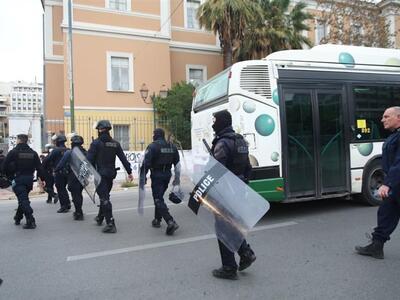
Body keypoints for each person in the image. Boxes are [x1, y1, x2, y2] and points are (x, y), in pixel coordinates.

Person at [210, 110, 256, 280]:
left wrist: (205, 189)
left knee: (223, 228)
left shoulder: (222, 143)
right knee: (233, 225)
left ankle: (229, 267)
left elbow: (217, 171)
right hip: (239, 189)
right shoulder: (241, 141)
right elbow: (248, 168)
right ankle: (246, 252)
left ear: (221, 122)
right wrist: (243, 185)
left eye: (215, 120)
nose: (213, 124)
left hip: (224, 192)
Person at [355, 106, 400, 259]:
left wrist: (387, 184)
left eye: (387, 117)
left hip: (395, 183)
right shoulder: (395, 135)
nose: (382, 120)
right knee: (386, 213)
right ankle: (376, 246)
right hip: (395, 184)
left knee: (387, 212)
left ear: (398, 117)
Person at [87, 120, 133, 233]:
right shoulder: (115, 143)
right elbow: (123, 158)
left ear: (101, 130)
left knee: (104, 198)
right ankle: (100, 217)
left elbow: (89, 161)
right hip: (111, 174)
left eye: (98, 129)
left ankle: (111, 224)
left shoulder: (96, 143)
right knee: (105, 196)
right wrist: (129, 172)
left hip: (100, 175)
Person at [2, 134, 46, 229]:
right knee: (23, 199)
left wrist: (8, 177)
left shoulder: (13, 152)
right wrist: (42, 179)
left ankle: (31, 220)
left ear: (19, 140)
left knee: (23, 200)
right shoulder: (33, 153)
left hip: (18, 179)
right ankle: (18, 217)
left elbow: (4, 167)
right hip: (29, 180)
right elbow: (40, 168)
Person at [142, 128, 180, 235]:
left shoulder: (153, 146)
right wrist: (177, 179)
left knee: (158, 199)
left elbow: (146, 164)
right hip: (167, 175)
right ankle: (157, 220)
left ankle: (170, 221)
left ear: (156, 135)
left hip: (157, 175)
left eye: (153, 134)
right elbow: (178, 165)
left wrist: (143, 177)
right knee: (159, 197)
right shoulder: (172, 147)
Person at [55, 135, 87, 221]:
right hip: (83, 176)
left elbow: (61, 164)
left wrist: (56, 170)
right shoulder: (86, 152)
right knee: (79, 194)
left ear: (73, 143)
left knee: (75, 194)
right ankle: (79, 211)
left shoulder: (69, 153)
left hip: (73, 176)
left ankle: (78, 212)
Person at [43, 134, 70, 213]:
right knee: (64, 189)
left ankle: (64, 206)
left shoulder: (56, 150)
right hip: (68, 173)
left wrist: (44, 168)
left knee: (61, 189)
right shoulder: (68, 149)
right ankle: (67, 203)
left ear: (58, 141)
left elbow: (47, 160)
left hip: (59, 172)